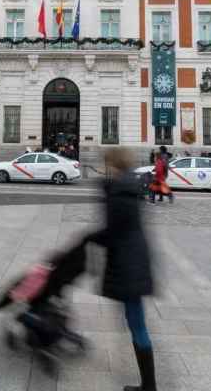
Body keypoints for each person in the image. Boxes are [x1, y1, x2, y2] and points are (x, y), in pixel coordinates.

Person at [86, 148, 156, 391]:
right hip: (135, 260)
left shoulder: (119, 191)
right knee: (135, 322)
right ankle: (148, 385)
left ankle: (149, 386)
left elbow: (112, 231)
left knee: (136, 324)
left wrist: (88, 238)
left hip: (128, 264)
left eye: (107, 164)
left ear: (113, 164)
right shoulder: (129, 187)